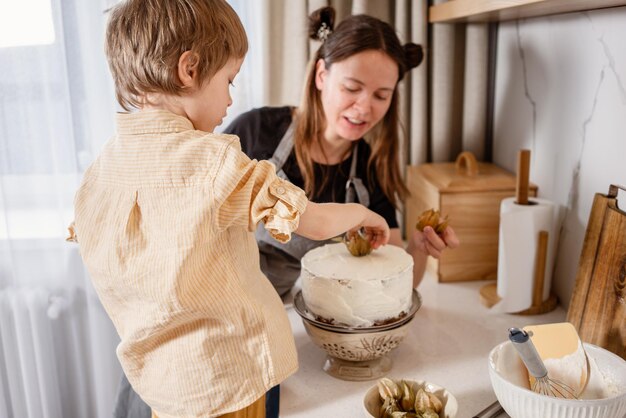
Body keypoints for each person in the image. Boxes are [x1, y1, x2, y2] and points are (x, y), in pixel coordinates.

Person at [68, 1, 390, 418]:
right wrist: (366, 216)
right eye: (229, 80)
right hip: (232, 378)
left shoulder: (102, 169)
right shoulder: (215, 161)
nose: (229, 100)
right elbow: (313, 219)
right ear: (190, 69)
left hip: (163, 387)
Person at [224, 6, 459, 297]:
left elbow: (396, 279)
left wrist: (420, 247)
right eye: (351, 88)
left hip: (300, 314)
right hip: (225, 301)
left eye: (381, 96)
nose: (364, 108)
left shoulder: (370, 168)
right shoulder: (255, 131)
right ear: (322, 75)